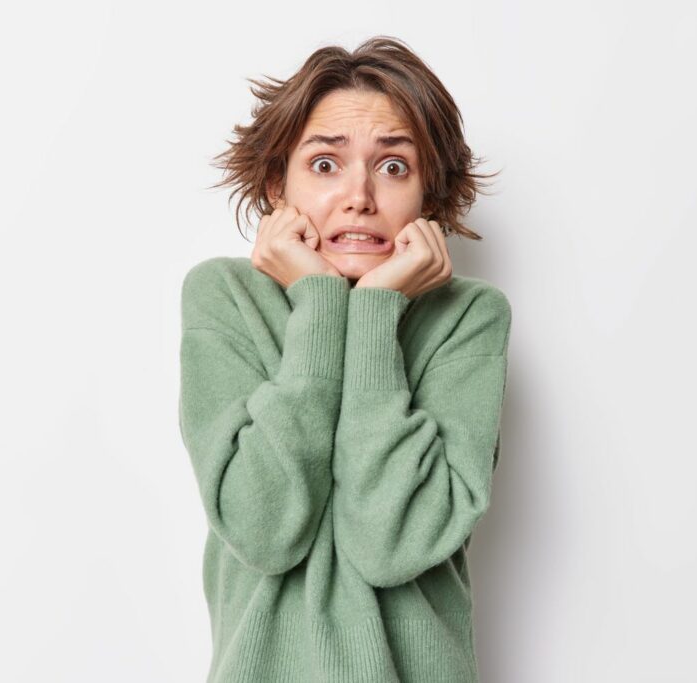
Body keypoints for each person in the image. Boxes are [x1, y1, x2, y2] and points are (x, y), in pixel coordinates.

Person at [179, 35, 512, 682]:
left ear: (429, 196)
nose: (359, 195)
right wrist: (320, 301)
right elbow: (263, 528)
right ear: (279, 183)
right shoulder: (223, 296)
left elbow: (393, 544)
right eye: (326, 164)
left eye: (394, 168)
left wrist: (376, 308)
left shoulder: (469, 318)